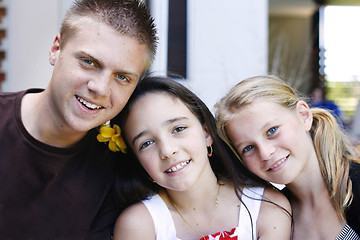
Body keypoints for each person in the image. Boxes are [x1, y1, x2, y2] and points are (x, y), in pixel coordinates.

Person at [0, 0, 157, 239]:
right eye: (89, 62)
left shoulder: (121, 172)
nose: (100, 88)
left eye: (122, 77)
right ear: (56, 49)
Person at [111, 76, 292, 240]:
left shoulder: (265, 207)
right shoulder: (139, 225)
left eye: (178, 129)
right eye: (146, 143)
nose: (167, 150)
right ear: (138, 160)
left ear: (206, 133)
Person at [215, 75, 360, 239]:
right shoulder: (274, 215)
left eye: (272, 130)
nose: (265, 152)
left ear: (304, 115)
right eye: (248, 148)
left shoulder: (354, 185)